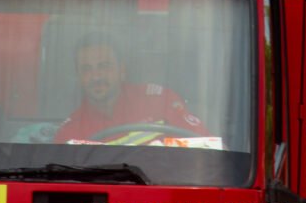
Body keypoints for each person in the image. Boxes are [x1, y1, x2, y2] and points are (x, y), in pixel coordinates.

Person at [55, 40, 206, 145]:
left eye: (104, 66)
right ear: (78, 77)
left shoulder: (160, 102)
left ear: (122, 70)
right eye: (86, 69)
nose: (96, 76)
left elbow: (205, 149)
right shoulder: (70, 132)